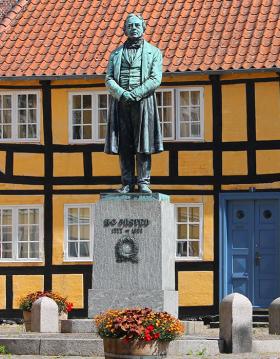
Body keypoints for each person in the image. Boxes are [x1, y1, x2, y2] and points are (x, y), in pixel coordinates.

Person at [104, 13, 163, 194]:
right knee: (125, 143)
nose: (134, 28)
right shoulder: (115, 54)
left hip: (143, 102)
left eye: (137, 25)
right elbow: (109, 78)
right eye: (130, 26)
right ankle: (127, 182)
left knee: (143, 142)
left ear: (144, 28)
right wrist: (122, 93)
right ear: (124, 30)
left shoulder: (154, 52)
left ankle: (144, 182)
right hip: (121, 103)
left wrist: (135, 94)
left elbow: (155, 78)